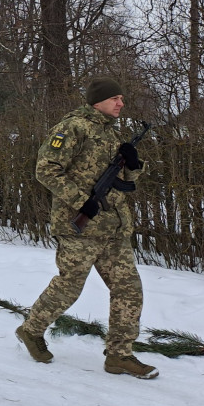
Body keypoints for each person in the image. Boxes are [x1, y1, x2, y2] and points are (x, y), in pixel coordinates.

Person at [15, 76, 157, 379]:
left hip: (113, 228)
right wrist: (82, 202)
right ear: (98, 101)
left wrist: (133, 166)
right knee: (69, 287)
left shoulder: (111, 133)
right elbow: (46, 169)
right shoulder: (72, 127)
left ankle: (119, 355)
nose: (121, 103)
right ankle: (31, 330)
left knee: (129, 290)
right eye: (115, 98)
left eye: (121, 98)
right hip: (78, 227)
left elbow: (124, 184)